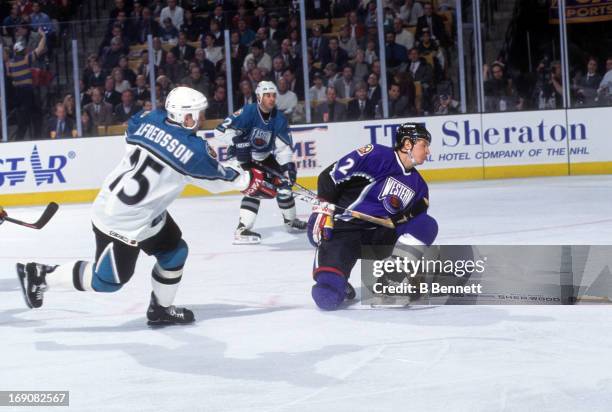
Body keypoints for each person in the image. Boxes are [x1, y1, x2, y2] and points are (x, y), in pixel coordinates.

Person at [16, 87, 277, 326]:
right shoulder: (193, 150)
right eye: (197, 114)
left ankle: (161, 310)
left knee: (175, 252)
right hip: (118, 221)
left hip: (142, 212)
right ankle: (41, 274)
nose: (200, 118)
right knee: (106, 282)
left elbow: (140, 131)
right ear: (185, 117)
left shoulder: (147, 120)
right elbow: (218, 178)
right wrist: (252, 182)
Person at [307, 123, 437, 310]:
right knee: (326, 296)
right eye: (424, 144)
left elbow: (413, 225)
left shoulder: (419, 187)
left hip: (378, 237)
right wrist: (322, 210)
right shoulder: (377, 155)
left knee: (426, 224)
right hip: (344, 231)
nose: (428, 151)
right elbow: (329, 176)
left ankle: (391, 283)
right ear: (407, 143)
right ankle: (339, 283)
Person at [214, 81, 307, 244]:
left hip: (263, 156)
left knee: (284, 185)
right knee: (255, 186)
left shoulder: (279, 118)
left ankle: (291, 222)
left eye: (273, 95)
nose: (271, 99)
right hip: (241, 157)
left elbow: (283, 149)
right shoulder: (247, 112)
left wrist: (287, 168)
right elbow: (219, 131)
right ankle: (242, 230)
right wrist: (237, 141)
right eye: (267, 95)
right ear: (258, 97)